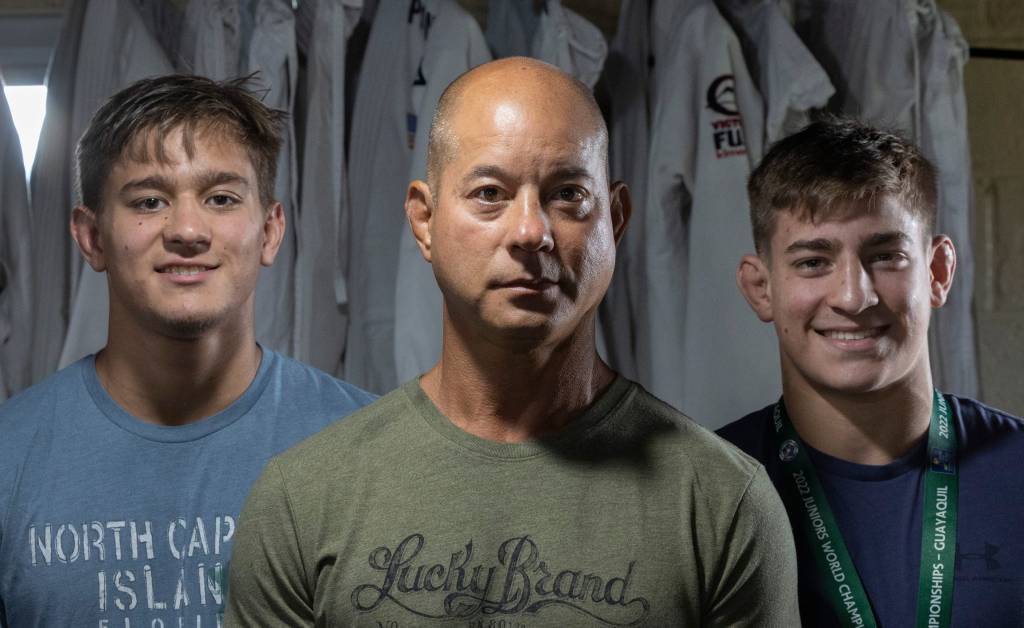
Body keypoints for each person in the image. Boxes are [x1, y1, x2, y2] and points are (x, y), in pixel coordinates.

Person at [225, 57, 798, 627]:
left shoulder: (724, 502)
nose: (530, 231)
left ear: (615, 221)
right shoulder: (302, 500)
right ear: (424, 221)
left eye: (568, 194)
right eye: (490, 193)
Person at [0, 75, 375, 628]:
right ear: (92, 236)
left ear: (270, 232)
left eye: (221, 198)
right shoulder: (9, 456)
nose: (188, 230)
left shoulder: (368, 446)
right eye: (149, 201)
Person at [719, 117, 1024, 627]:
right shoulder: (704, 491)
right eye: (814, 262)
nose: (853, 297)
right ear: (760, 287)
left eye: (885, 256)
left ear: (938, 273)